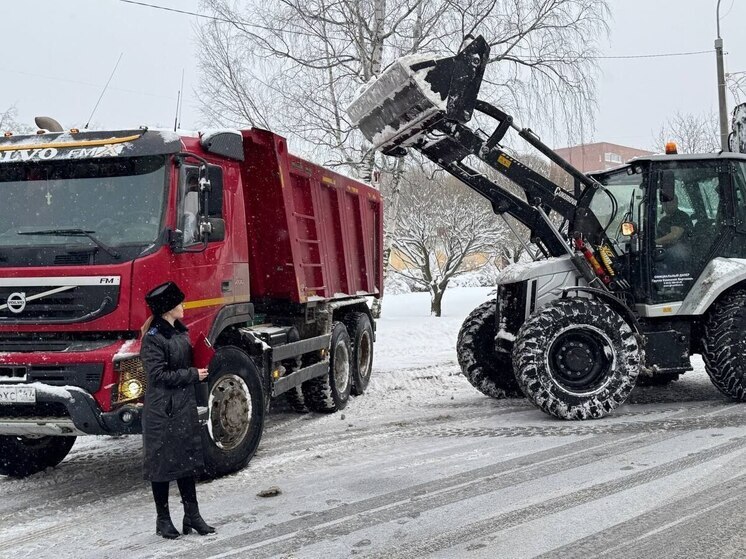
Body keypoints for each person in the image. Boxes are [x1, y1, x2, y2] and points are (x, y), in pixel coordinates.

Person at [140, 281, 215, 539]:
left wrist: (200, 366)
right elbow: (158, 375)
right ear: (169, 308)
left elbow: (182, 364)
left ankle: (192, 515)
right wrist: (192, 374)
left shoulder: (179, 332)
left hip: (182, 407)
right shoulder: (153, 339)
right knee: (161, 466)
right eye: (179, 303)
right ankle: (163, 519)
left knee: (186, 462)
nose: (184, 306)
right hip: (162, 411)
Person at [655, 194, 692, 273]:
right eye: (664, 203)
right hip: (666, 249)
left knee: (662, 259)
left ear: (676, 202)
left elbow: (674, 235)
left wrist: (654, 243)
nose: (666, 205)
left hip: (681, 251)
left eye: (669, 202)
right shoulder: (663, 220)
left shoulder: (681, 216)